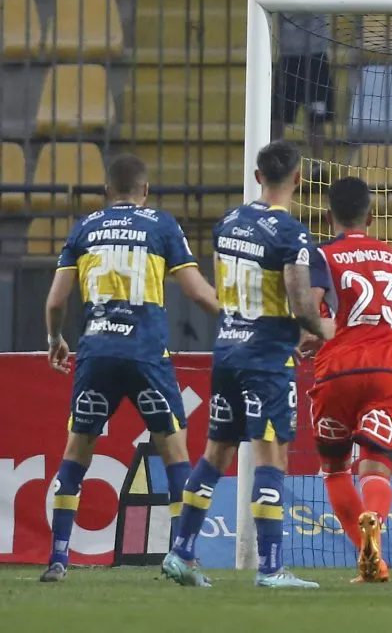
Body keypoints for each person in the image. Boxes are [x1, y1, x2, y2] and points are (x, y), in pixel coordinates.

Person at [40, 154, 220, 582]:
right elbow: (196, 292)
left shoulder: (84, 228)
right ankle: (183, 556)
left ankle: (58, 559)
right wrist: (235, 316)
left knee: (76, 453)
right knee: (174, 451)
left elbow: (55, 302)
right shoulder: (161, 225)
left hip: (97, 354)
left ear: (107, 191)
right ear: (145, 191)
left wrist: (54, 340)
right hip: (145, 355)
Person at [162, 140, 334, 588]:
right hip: (266, 358)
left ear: (259, 176)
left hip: (228, 350)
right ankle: (272, 568)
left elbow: (221, 290)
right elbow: (300, 300)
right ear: (298, 178)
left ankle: (181, 552)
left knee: (216, 452)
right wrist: (322, 328)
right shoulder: (292, 233)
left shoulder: (228, 223)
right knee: (271, 453)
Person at [298, 176, 392, 584]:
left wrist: (308, 337)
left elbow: (312, 318)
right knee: (376, 468)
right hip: (386, 372)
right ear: (372, 215)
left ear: (328, 217)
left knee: (336, 469)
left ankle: (372, 561)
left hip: (337, 372)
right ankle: (373, 523)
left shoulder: (321, 255)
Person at [260, 0, 336, 160]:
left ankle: (317, 162)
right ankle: (275, 158)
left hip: (317, 58)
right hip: (289, 60)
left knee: (316, 117)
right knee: (278, 116)